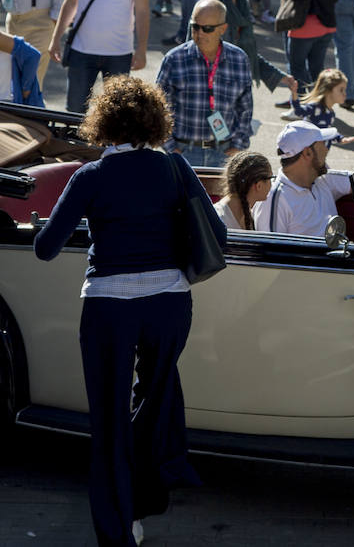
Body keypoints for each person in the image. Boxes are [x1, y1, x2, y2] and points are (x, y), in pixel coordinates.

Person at [33, 76, 213, 547]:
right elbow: (217, 233)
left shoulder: (91, 177)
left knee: (109, 421)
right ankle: (145, 500)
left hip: (110, 308)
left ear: (102, 123)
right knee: (152, 407)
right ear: (155, 122)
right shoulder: (175, 167)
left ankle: (118, 531)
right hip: (170, 305)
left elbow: (45, 249)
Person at [155, 0, 254, 169]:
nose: (199, 33)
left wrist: (237, 146)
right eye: (195, 27)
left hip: (224, 153)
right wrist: (172, 149)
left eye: (207, 29)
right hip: (184, 152)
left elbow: (245, 108)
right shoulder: (174, 59)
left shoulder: (239, 59)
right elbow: (158, 108)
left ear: (223, 29)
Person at [209, 0, 297, 100]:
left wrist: (280, 77)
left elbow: (246, 54)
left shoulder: (243, 3)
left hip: (238, 88)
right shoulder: (210, 7)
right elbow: (194, 53)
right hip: (214, 90)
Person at [252, 121, 351, 236]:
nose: (326, 149)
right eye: (323, 143)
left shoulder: (323, 178)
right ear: (308, 153)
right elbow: (271, 250)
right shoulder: (274, 201)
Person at [214, 151, 274, 232]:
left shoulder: (247, 212)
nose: (272, 183)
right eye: (270, 178)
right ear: (258, 185)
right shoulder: (219, 219)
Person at [288, 69, 354, 139]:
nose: (345, 94)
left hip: (319, 148)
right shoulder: (315, 107)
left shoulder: (330, 112)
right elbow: (299, 111)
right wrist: (294, 93)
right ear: (328, 90)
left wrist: (340, 139)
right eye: (341, 90)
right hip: (307, 147)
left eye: (345, 90)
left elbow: (326, 131)